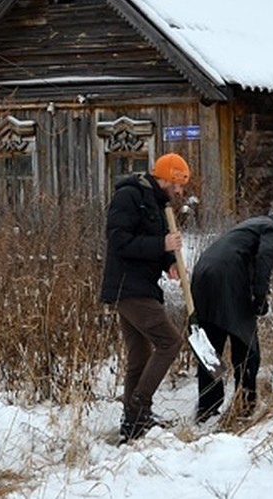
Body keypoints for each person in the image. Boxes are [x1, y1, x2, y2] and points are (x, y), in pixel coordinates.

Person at [100, 152, 191, 443]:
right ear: (164, 177)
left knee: (139, 355)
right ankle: (139, 405)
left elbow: (157, 247)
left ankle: (134, 424)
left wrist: (169, 262)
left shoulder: (159, 203)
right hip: (128, 287)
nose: (179, 192)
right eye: (176, 184)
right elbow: (118, 240)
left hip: (143, 286)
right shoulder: (129, 196)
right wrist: (161, 243)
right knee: (170, 341)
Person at [191, 200, 273, 423]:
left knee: (211, 346)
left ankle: (207, 408)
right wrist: (260, 297)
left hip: (203, 274)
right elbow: (265, 257)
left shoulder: (252, 223)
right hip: (229, 279)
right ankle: (245, 407)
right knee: (247, 347)